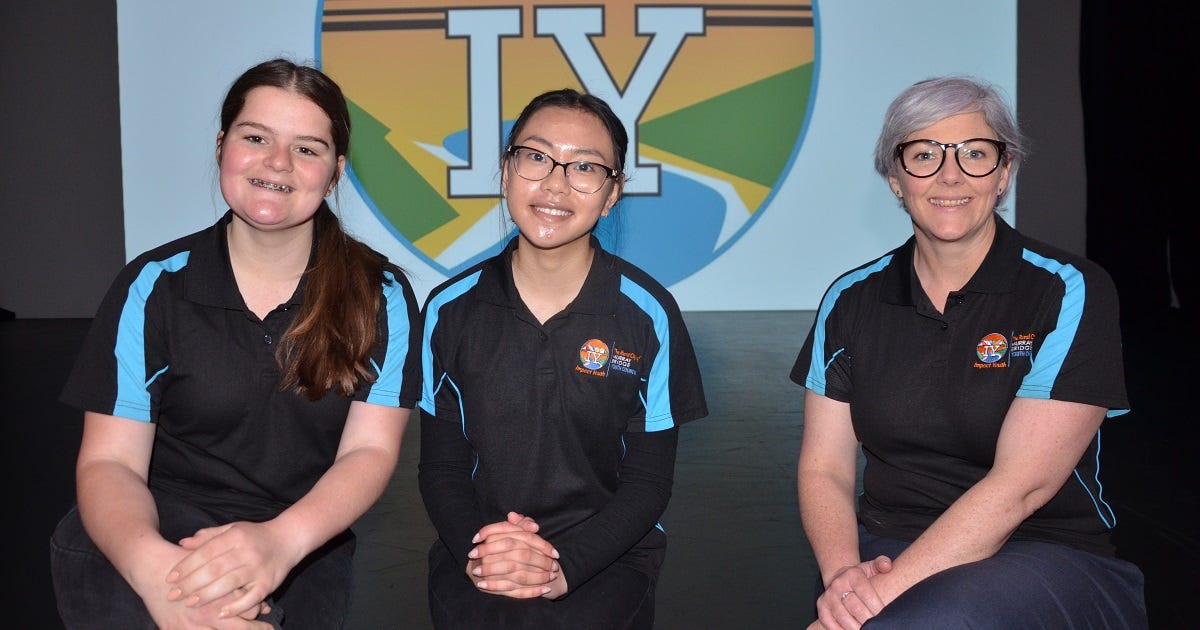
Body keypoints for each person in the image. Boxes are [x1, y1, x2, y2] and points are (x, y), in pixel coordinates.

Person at [49, 58, 421, 629]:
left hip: (299, 537)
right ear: (222, 145)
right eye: (256, 138)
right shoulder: (153, 285)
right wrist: (157, 574)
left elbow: (367, 453)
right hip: (146, 529)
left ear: (335, 172)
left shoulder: (381, 294)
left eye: (307, 148)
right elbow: (110, 463)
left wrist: (279, 543)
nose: (278, 162)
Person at [791, 76, 1147, 629]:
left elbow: (1020, 487)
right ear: (895, 178)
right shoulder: (851, 298)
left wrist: (871, 603)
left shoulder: (1069, 290)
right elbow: (825, 468)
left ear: (1004, 173)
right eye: (924, 155)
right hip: (883, 547)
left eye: (975, 153)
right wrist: (842, 579)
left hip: (1041, 551)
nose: (950, 175)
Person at [417, 88, 707, 629]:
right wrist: (482, 554)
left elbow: (648, 484)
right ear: (507, 170)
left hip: (607, 558)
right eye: (536, 156)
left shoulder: (649, 315)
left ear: (613, 193)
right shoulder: (448, 310)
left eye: (585, 167)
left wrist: (564, 568)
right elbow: (442, 470)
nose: (555, 184)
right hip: (478, 550)